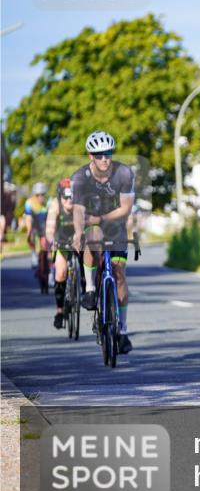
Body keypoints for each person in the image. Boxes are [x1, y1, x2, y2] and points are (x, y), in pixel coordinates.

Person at [71, 131, 136, 354]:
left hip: (116, 226)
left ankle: (123, 331)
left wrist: (103, 218)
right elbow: (79, 210)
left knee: (119, 276)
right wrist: (78, 232)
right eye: (99, 155)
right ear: (91, 155)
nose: (104, 159)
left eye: (108, 154)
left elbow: (126, 207)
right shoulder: (80, 177)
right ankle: (90, 288)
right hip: (92, 224)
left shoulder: (124, 173)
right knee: (93, 235)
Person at [45, 179, 79, 329]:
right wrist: (52, 241)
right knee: (61, 273)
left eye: (72, 196)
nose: (69, 200)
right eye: (66, 197)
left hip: (77, 240)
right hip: (61, 241)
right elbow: (50, 228)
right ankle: (59, 311)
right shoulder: (55, 205)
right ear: (60, 197)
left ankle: (87, 289)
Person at [23, 182, 49, 269]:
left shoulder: (48, 202)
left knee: (46, 244)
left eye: (42, 194)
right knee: (31, 234)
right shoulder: (29, 203)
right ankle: (33, 253)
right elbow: (28, 219)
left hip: (44, 225)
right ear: (35, 195)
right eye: (38, 195)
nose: (40, 196)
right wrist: (29, 231)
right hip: (34, 224)